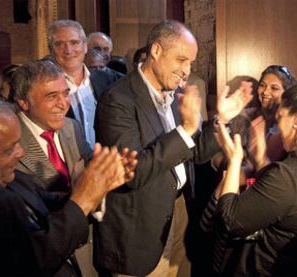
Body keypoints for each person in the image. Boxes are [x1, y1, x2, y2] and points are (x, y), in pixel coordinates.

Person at [94, 19, 252, 276]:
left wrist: (221, 119)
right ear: (156, 51)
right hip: (140, 226)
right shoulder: (117, 100)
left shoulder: (173, 94)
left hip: (179, 214)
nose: (187, 70)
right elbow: (133, 172)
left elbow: (196, 152)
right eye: (181, 60)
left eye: (190, 62)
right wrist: (187, 129)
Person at [0, 97, 137, 276]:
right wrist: (83, 199)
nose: (21, 152)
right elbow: (33, 262)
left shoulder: (15, 179)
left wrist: (96, 186)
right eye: (9, 149)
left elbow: (52, 207)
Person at [214, 83, 297, 275]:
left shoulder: (288, 176)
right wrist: (261, 160)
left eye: (280, 119)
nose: (277, 128)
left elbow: (229, 220)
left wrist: (235, 161)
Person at [12, 60, 95, 276]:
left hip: (84, 248)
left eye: (65, 93)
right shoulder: (8, 142)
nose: (63, 103)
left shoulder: (72, 127)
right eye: (52, 96)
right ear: (23, 102)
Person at [48, 20, 119, 149]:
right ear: (51, 50)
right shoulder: (45, 88)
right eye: (59, 44)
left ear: (85, 47)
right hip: (69, 165)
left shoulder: (110, 82)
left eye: (74, 42)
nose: (68, 50)